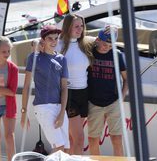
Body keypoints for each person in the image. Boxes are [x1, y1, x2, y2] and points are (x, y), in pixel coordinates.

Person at [21, 25, 70, 153]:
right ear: (43, 40)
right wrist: (23, 112)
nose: (54, 41)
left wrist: (61, 112)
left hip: (60, 107)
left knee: (65, 150)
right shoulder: (34, 58)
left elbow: (64, 88)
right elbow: (26, 87)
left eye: (56, 38)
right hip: (43, 107)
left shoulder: (62, 59)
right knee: (59, 148)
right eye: (50, 38)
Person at [56, 14, 93, 155]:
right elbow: (39, 45)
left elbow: (106, 39)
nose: (80, 29)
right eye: (76, 26)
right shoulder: (59, 45)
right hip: (68, 94)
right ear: (68, 27)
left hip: (83, 93)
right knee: (79, 138)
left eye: (82, 26)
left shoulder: (85, 44)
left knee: (73, 138)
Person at [87, 25, 128, 156]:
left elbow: (127, 79)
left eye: (111, 46)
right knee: (93, 139)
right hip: (93, 102)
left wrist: (121, 98)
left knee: (117, 139)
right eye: (105, 44)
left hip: (113, 102)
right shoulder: (90, 53)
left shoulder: (117, 55)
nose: (107, 48)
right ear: (98, 40)